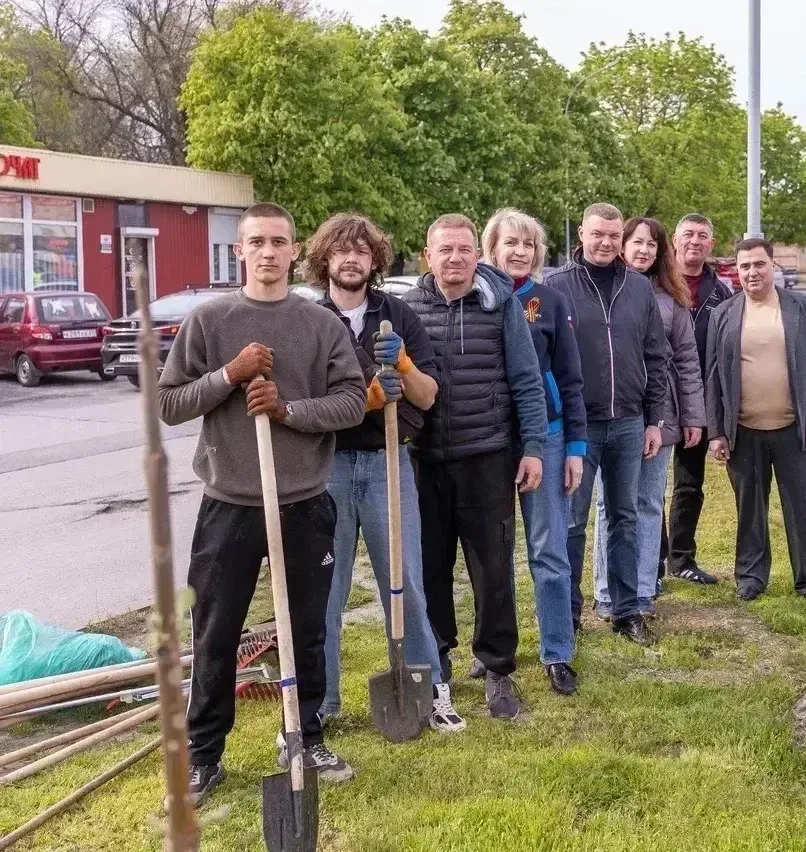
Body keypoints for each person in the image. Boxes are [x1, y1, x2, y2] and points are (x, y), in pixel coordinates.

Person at [157, 202, 366, 806]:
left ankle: (303, 737)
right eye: (257, 242)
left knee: (306, 628)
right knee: (215, 631)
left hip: (304, 502)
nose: (269, 252)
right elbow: (169, 404)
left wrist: (287, 410)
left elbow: (353, 401)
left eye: (279, 241)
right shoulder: (210, 320)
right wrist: (229, 374)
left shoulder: (319, 324)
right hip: (229, 503)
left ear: (295, 250)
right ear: (239, 251)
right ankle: (204, 757)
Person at [307, 213, 465, 734]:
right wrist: (364, 401)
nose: (351, 259)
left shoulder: (398, 315)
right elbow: (304, 401)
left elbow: (429, 396)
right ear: (325, 259)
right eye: (341, 250)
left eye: (361, 251)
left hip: (386, 465)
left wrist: (404, 367)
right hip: (325, 467)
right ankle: (321, 702)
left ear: (374, 260)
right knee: (324, 590)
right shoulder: (310, 320)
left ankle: (429, 689)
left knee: (406, 583)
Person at [402, 213, 547, 720]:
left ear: (477, 255)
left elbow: (527, 380)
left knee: (493, 570)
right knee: (430, 567)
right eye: (445, 250)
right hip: (425, 461)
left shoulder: (501, 305)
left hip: (487, 456)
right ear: (428, 256)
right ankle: (437, 658)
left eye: (464, 249)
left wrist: (533, 447)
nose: (455, 258)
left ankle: (498, 667)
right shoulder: (409, 308)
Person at [545, 203, 670, 646]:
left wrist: (654, 419)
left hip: (630, 423)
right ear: (581, 233)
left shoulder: (638, 288)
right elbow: (544, 360)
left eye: (613, 236)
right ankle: (569, 614)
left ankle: (626, 610)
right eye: (597, 233)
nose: (605, 242)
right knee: (572, 523)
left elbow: (656, 356)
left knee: (625, 518)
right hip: (578, 428)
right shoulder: (556, 287)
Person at [480, 208, 586, 696]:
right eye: (511, 243)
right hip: (492, 440)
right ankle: (493, 652)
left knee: (549, 549)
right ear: (492, 249)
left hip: (548, 436)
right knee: (493, 554)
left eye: (528, 244)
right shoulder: (477, 299)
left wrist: (575, 447)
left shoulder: (550, 301)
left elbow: (570, 377)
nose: (520, 251)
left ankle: (557, 651)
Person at [705, 237, 806, 603]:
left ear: (772, 266)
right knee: (750, 511)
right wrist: (717, 432)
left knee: (805, 511)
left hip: (797, 431)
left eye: (759, 264)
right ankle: (751, 578)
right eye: (745, 266)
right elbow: (713, 377)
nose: (752, 272)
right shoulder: (723, 314)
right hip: (744, 432)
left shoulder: (803, 309)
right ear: (737, 270)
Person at [592, 217, 704, 618]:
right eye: (637, 242)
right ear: (623, 245)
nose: (643, 250)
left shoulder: (672, 298)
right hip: (613, 411)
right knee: (609, 504)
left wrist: (693, 416)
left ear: (661, 252)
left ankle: (642, 588)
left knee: (648, 502)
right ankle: (606, 590)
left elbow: (687, 360)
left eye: (651, 245)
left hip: (662, 413)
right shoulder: (604, 289)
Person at [667, 213, 734, 586]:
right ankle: (651, 560)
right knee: (645, 488)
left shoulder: (721, 294)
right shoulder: (653, 284)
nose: (695, 241)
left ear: (711, 243)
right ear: (674, 240)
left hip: (699, 401)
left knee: (689, 484)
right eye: (688, 234)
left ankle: (681, 558)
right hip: (656, 398)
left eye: (702, 235)